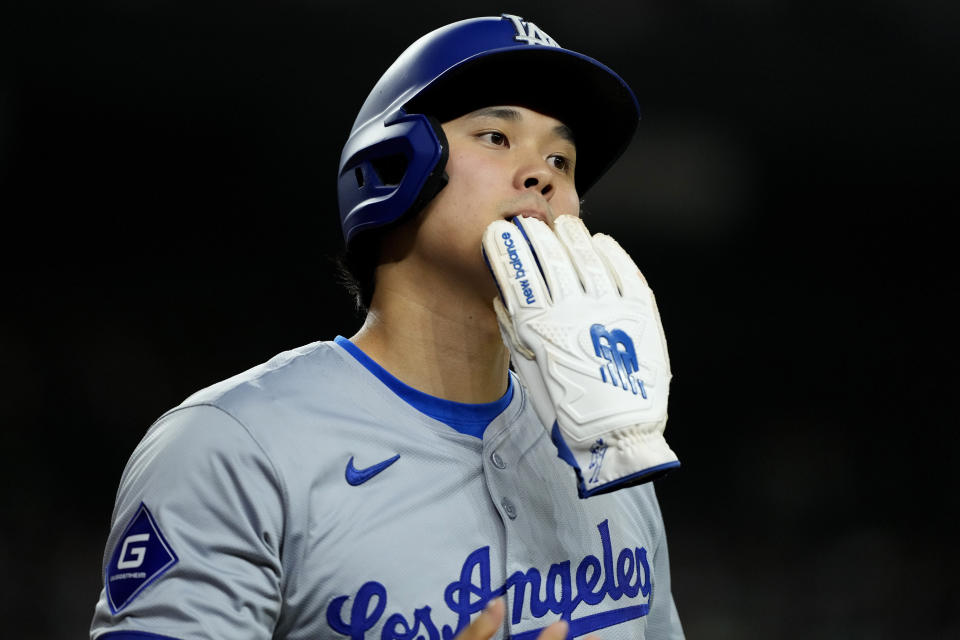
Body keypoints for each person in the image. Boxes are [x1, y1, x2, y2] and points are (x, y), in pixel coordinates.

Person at [90, 14, 684, 640]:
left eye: (561, 158)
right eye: (496, 137)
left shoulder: (604, 443)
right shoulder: (233, 446)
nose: (543, 175)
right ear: (392, 163)